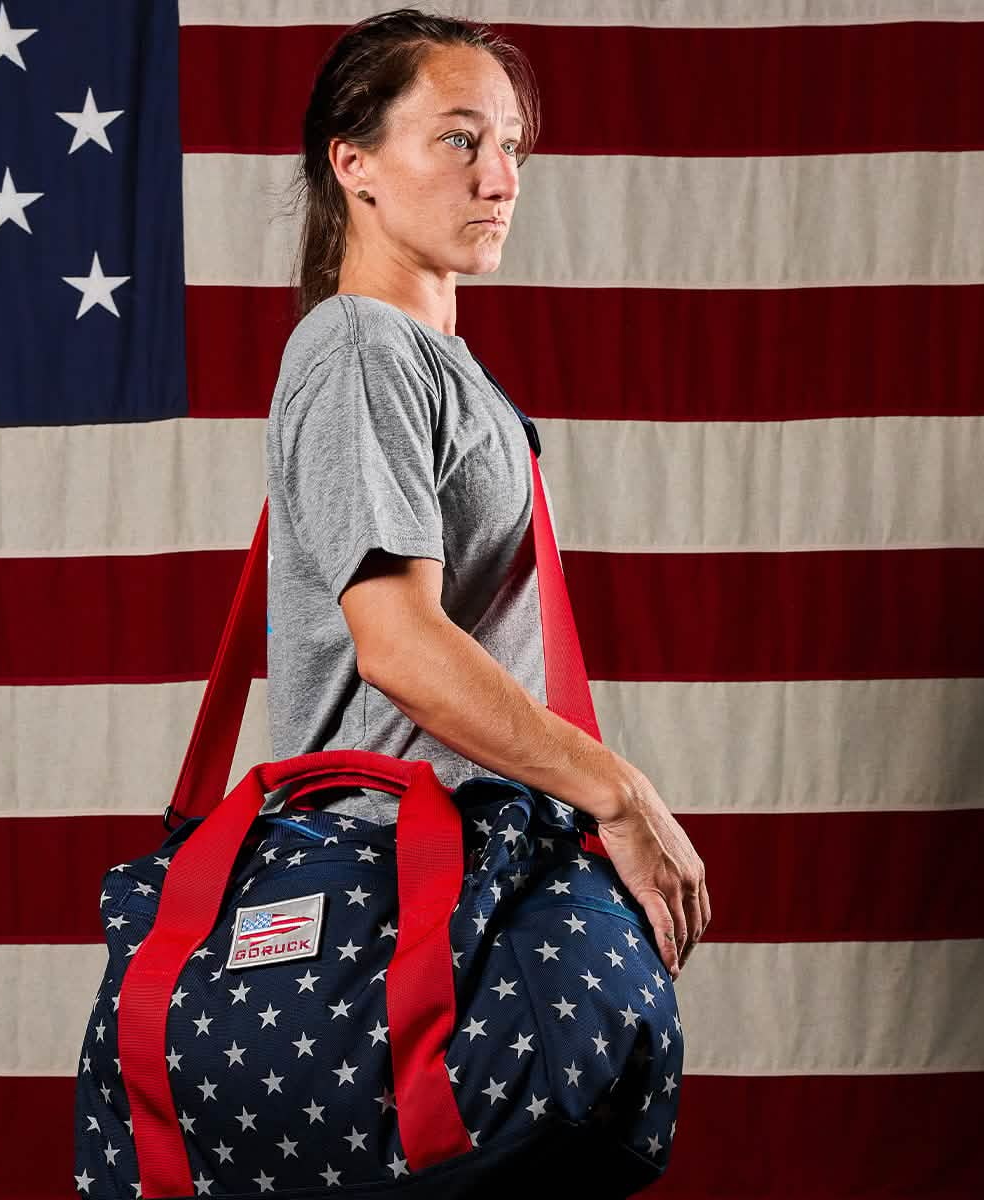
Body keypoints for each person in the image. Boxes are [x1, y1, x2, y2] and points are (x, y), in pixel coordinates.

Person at [265, 7, 708, 984]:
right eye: (459, 138)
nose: (500, 177)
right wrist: (619, 794)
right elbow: (398, 643)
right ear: (355, 164)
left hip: (461, 881)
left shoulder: (433, 364)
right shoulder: (359, 348)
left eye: (510, 144)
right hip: (387, 896)